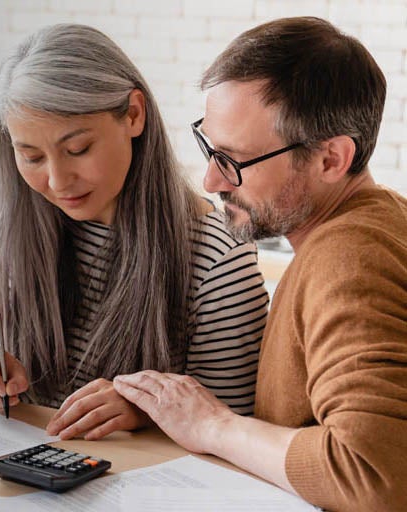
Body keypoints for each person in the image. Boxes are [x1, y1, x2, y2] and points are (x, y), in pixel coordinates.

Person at [113, 17, 407, 511]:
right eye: (209, 148)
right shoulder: (383, 219)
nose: (211, 180)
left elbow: (373, 475)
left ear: (332, 159)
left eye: (234, 159)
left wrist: (213, 425)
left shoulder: (347, 260)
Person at [0, 24, 268, 441]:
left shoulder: (217, 256)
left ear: (134, 115)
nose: (58, 181)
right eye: (30, 157)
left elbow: (234, 424)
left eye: (77, 149)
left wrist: (146, 410)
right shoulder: (17, 227)